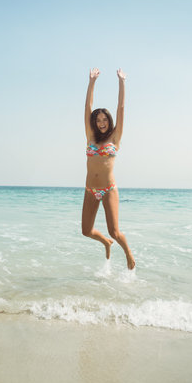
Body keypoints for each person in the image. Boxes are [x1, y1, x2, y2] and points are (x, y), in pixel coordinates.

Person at [82, 67, 135, 270]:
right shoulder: (90, 136)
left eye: (105, 120)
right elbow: (88, 106)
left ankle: (128, 253)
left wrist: (121, 82)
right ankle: (105, 242)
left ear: (109, 121)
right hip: (90, 190)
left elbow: (121, 108)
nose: (101, 122)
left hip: (108, 189)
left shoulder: (115, 137)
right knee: (86, 231)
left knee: (115, 231)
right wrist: (91, 82)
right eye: (98, 120)